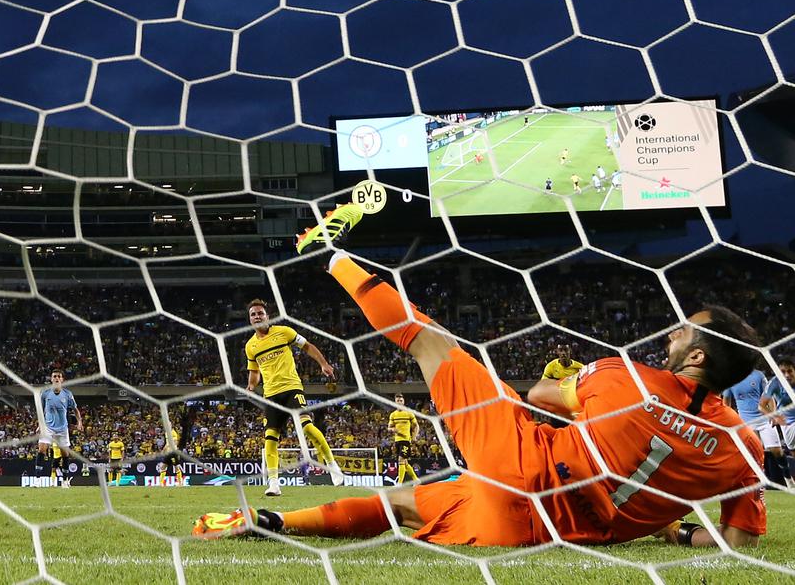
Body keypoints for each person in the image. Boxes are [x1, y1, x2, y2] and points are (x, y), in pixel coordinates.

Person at [196, 204, 766, 548]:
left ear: (697, 359)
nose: (672, 334)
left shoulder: (629, 379)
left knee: (432, 342)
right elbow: (738, 540)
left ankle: (328, 254)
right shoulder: (743, 449)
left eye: (684, 333)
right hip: (541, 533)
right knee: (404, 500)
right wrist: (675, 528)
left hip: (523, 461)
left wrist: (571, 392)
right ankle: (270, 518)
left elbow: (540, 395)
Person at [245, 298, 344, 496]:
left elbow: (307, 346)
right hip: (271, 396)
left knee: (307, 428)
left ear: (267, 316)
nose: (257, 316)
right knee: (270, 440)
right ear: (250, 320)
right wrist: (251, 385)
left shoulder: (284, 332)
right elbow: (254, 372)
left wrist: (323, 364)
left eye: (260, 313)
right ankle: (274, 484)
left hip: (292, 389)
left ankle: (333, 468)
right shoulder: (250, 346)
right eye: (253, 314)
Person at [724, 368, 783, 487]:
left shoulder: (758, 375)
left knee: (776, 451)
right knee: (755, 453)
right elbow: (726, 403)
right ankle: (759, 481)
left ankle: (786, 478)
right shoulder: (730, 378)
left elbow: (769, 396)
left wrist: (773, 414)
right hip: (746, 422)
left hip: (764, 419)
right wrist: (729, 420)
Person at [35, 369, 82, 488]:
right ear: (51, 379)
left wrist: (79, 422)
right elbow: (41, 410)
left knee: (65, 454)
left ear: (62, 379)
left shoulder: (67, 394)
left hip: (62, 429)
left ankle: (65, 481)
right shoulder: (45, 393)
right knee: (41, 450)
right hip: (48, 427)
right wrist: (40, 424)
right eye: (54, 376)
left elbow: (75, 409)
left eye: (58, 376)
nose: (56, 378)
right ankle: (37, 480)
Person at [761, 361, 795, 488]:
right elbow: (761, 406)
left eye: (790, 371)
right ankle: (790, 481)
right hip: (787, 423)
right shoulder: (774, 383)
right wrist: (774, 416)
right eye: (783, 372)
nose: (786, 375)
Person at [389, 394, 419, 484]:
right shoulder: (393, 415)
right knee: (404, 463)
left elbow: (416, 426)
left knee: (400, 460)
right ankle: (416, 480)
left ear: (404, 402)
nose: (399, 402)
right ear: (395, 402)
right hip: (397, 440)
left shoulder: (409, 413)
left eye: (401, 400)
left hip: (406, 440)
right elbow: (389, 428)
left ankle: (399, 483)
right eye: (398, 401)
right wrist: (393, 430)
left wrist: (414, 436)